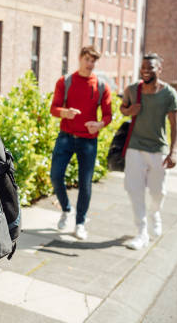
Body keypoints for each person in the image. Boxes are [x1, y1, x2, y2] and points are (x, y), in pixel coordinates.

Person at [49, 45, 112, 240]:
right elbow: (54, 108)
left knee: (85, 184)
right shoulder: (65, 81)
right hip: (66, 137)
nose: (90, 64)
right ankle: (66, 209)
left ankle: (80, 222)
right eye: (87, 59)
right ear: (80, 58)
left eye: (93, 61)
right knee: (55, 176)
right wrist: (65, 113)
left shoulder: (101, 86)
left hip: (88, 141)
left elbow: (108, 115)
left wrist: (99, 124)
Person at [120, 53, 177, 250]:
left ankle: (155, 213)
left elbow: (175, 125)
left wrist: (173, 152)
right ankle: (142, 232)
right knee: (134, 190)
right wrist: (130, 111)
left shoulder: (169, 94)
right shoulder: (132, 89)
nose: (145, 71)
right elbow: (123, 108)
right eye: (143, 67)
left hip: (158, 149)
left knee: (158, 192)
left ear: (159, 69)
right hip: (135, 147)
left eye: (150, 68)